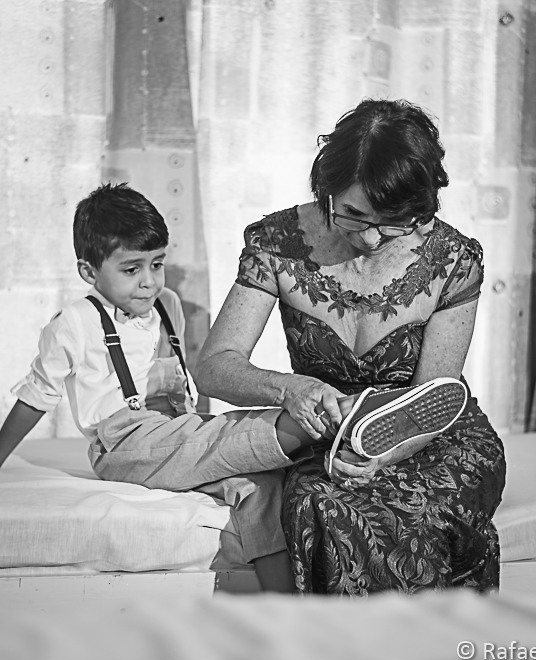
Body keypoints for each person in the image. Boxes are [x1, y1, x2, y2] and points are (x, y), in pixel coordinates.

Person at [0, 183, 343, 592]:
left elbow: (181, 385)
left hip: (179, 436)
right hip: (123, 445)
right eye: (131, 269)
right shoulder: (73, 323)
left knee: (257, 485)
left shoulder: (168, 305)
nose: (148, 282)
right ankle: (326, 419)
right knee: (226, 435)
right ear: (89, 272)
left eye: (157, 264)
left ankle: (284, 610)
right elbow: (37, 394)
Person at [195, 99, 506, 595]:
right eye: (356, 216)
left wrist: (383, 454)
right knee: (320, 502)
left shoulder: (453, 259)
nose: (372, 238)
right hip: (328, 437)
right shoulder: (277, 243)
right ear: (327, 186)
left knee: (418, 511)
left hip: (430, 431)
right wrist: (288, 389)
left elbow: (433, 394)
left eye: (395, 221)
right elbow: (213, 367)